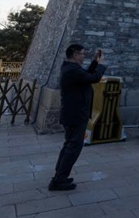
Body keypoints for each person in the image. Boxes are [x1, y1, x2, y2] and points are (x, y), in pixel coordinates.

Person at [49, 44, 107, 191]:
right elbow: (93, 78)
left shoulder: (70, 68)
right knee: (73, 147)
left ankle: (59, 176)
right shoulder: (72, 70)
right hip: (75, 114)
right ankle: (59, 180)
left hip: (73, 113)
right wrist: (101, 65)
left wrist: (94, 62)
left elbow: (86, 76)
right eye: (82, 54)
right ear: (75, 55)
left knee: (69, 145)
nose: (83, 56)